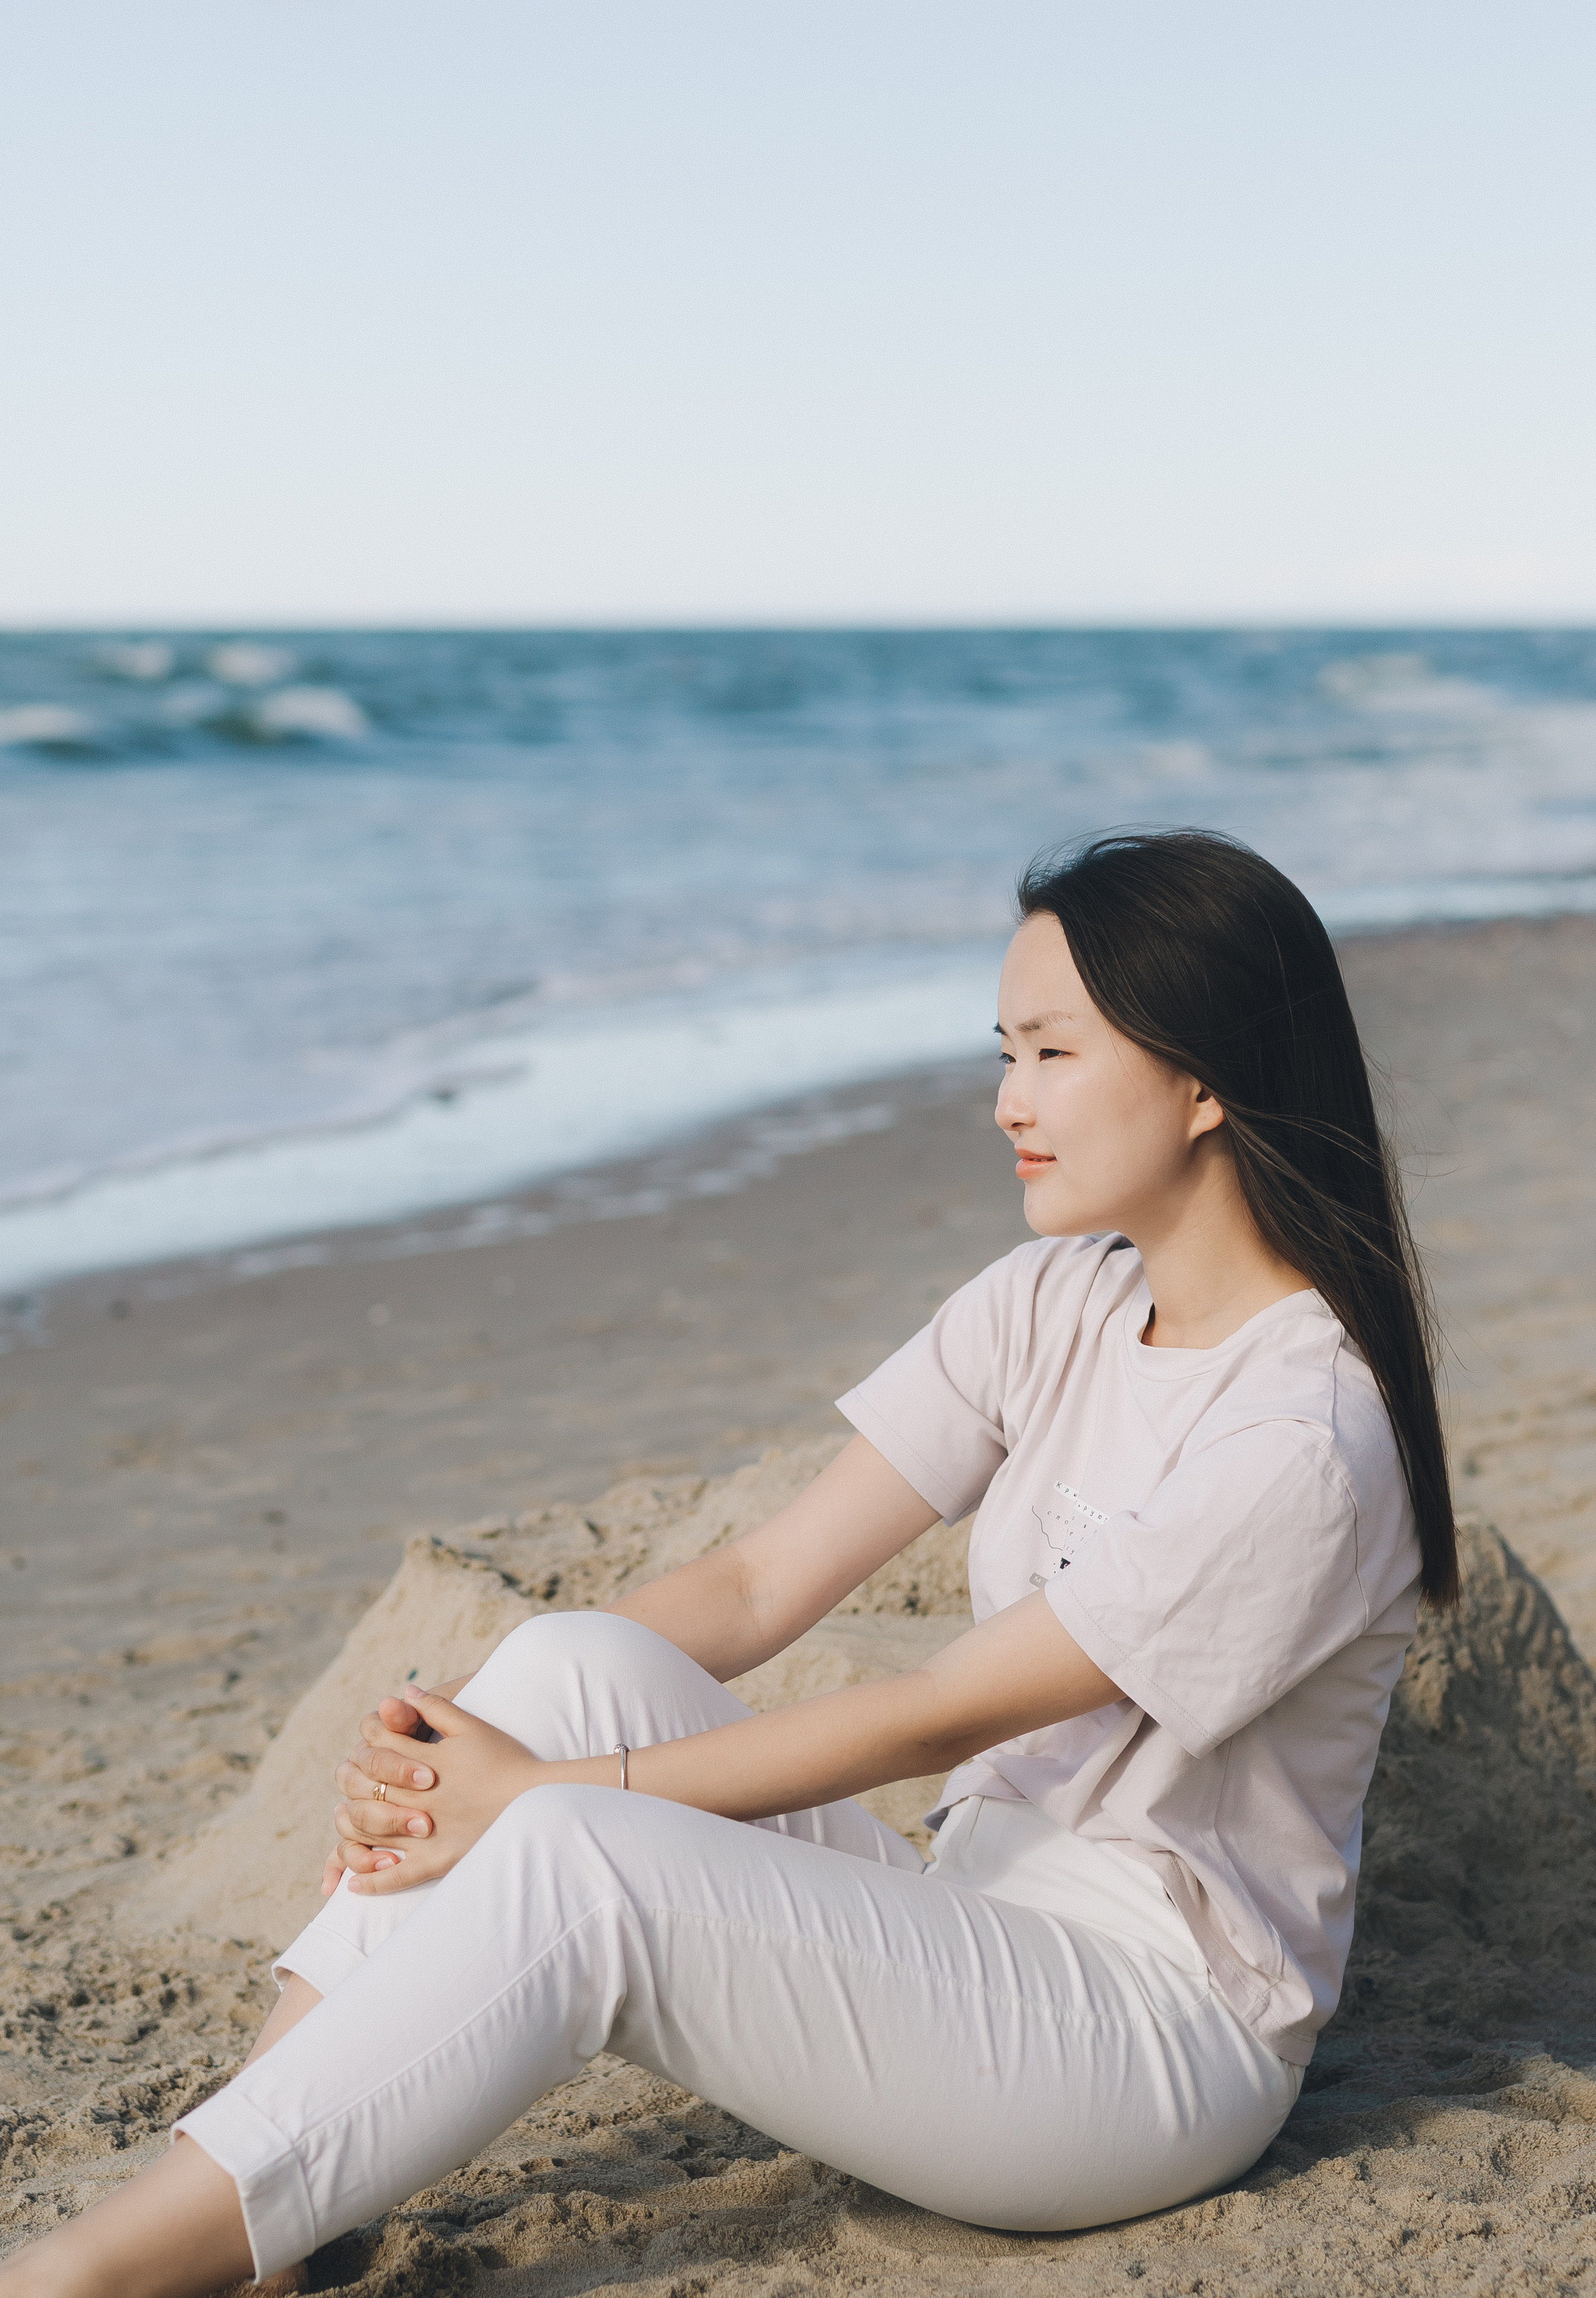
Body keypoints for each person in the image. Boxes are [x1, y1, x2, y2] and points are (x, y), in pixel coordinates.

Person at [2, 830, 1456, 2298]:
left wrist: (536, 1799)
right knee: (573, 1663)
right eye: (1001, 1053)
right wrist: (458, 1755)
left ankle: (91, 2276)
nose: (1003, 1102)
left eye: (1049, 1054)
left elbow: (937, 1713)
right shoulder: (1056, 1300)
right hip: (971, 1915)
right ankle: (268, 2215)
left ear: (1203, 1080)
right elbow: (759, 1587)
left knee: (581, 1856)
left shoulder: (1306, 1435)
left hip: (1147, 2043)